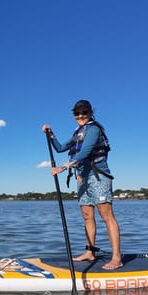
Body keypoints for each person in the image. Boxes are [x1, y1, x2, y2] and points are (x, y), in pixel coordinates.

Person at [42, 100, 123, 270]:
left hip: (98, 177)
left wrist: (63, 167)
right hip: (83, 179)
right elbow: (59, 148)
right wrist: (51, 135)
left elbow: (85, 152)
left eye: (84, 113)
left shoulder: (93, 129)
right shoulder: (78, 132)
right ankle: (89, 252)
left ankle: (117, 258)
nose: (80, 116)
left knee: (106, 216)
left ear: (90, 113)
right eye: (77, 113)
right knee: (87, 216)